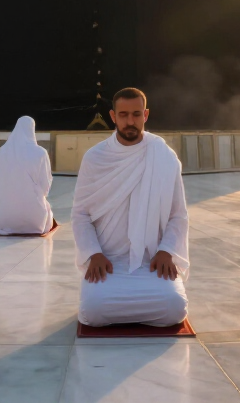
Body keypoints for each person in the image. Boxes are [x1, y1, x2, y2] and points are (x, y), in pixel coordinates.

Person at [74, 88, 189, 327]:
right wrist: (93, 254)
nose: (130, 121)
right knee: (92, 311)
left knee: (174, 307)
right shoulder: (95, 158)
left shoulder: (164, 157)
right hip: (108, 261)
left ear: (145, 115)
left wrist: (167, 250)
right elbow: (81, 214)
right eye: (123, 115)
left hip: (152, 260)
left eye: (136, 114)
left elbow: (178, 215)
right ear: (113, 116)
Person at [0, 116, 54, 235]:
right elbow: (45, 185)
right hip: (34, 220)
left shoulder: (2, 151)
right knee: (46, 211)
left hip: (5, 218)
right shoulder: (40, 153)